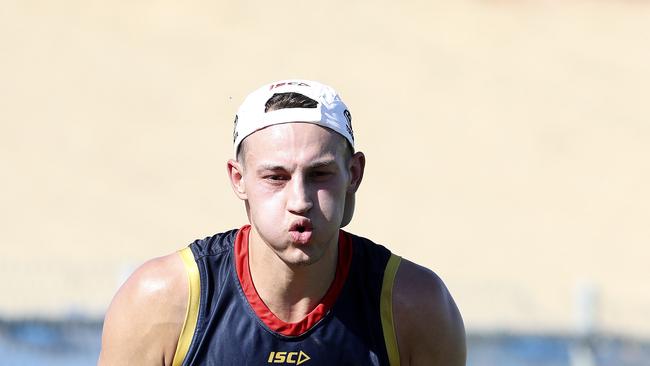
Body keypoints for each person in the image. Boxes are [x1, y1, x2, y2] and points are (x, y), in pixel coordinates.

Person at [98, 80, 466, 366]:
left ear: (353, 174)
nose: (300, 201)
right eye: (276, 177)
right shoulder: (162, 301)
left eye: (320, 174)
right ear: (238, 179)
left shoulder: (414, 306)